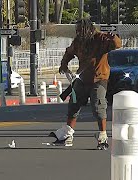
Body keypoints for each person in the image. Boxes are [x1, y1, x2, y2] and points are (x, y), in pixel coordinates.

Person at [49, 18, 122, 150]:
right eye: (76, 30)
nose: (77, 33)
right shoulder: (78, 41)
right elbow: (69, 52)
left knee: (98, 106)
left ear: (88, 29)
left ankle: (103, 137)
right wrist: (63, 64)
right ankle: (67, 135)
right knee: (73, 105)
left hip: (99, 78)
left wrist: (114, 37)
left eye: (79, 30)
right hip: (82, 79)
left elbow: (117, 45)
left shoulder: (100, 38)